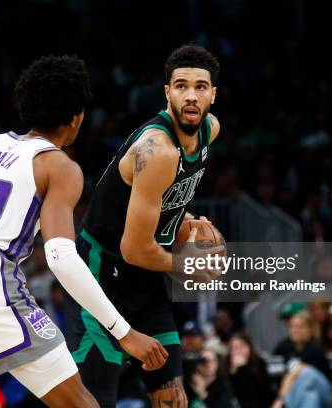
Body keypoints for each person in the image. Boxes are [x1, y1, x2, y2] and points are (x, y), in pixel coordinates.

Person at [0, 55, 167, 408]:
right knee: (81, 404)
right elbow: (61, 258)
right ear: (77, 117)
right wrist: (125, 334)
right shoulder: (59, 166)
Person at [65, 44, 224, 407]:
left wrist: (187, 219)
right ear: (167, 92)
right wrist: (188, 266)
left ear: (213, 95)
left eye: (201, 87)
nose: (191, 95)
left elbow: (162, 200)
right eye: (181, 85)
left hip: (144, 279)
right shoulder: (157, 149)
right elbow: (133, 249)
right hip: (103, 275)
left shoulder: (210, 130)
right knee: (94, 403)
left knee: (172, 398)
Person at [227, 333, 274, 408]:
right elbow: (232, 394)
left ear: (249, 347)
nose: (239, 350)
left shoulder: (259, 362)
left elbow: (261, 391)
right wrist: (234, 370)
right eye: (235, 347)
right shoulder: (227, 366)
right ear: (231, 351)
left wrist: (243, 368)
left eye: (242, 346)